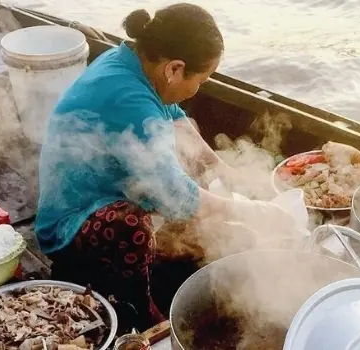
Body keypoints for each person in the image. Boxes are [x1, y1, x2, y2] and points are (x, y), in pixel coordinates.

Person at [35, 3, 297, 330]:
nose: (200, 87)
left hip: (108, 186)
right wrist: (250, 212)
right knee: (133, 226)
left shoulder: (134, 65)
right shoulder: (129, 98)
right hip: (70, 225)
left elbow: (176, 120)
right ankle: (140, 309)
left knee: (185, 166)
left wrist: (222, 170)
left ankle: (170, 251)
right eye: (203, 79)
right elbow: (174, 193)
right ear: (174, 68)